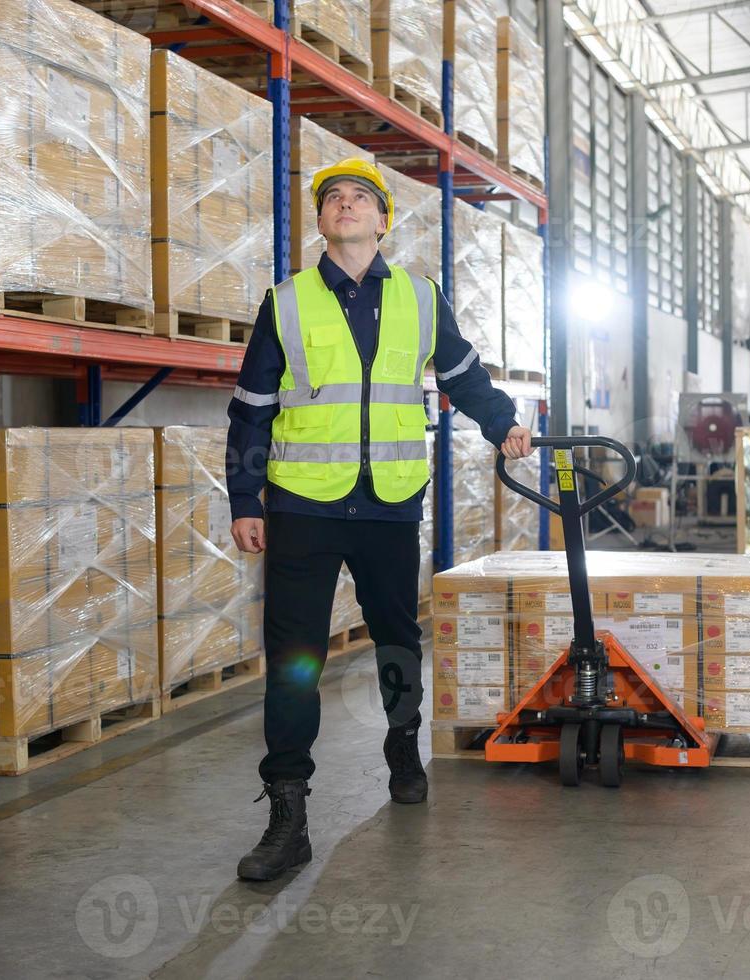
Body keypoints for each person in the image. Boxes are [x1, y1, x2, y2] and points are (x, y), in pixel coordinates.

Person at [225, 158, 534, 882]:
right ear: (322, 221)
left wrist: (502, 424)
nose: (345, 204)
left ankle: (402, 740)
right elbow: (251, 410)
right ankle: (287, 811)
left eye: (360, 196)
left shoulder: (421, 298)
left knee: (397, 635)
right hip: (303, 502)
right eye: (332, 198)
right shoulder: (287, 301)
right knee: (293, 658)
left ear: (382, 219)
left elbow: (461, 374)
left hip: (390, 501)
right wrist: (245, 501)